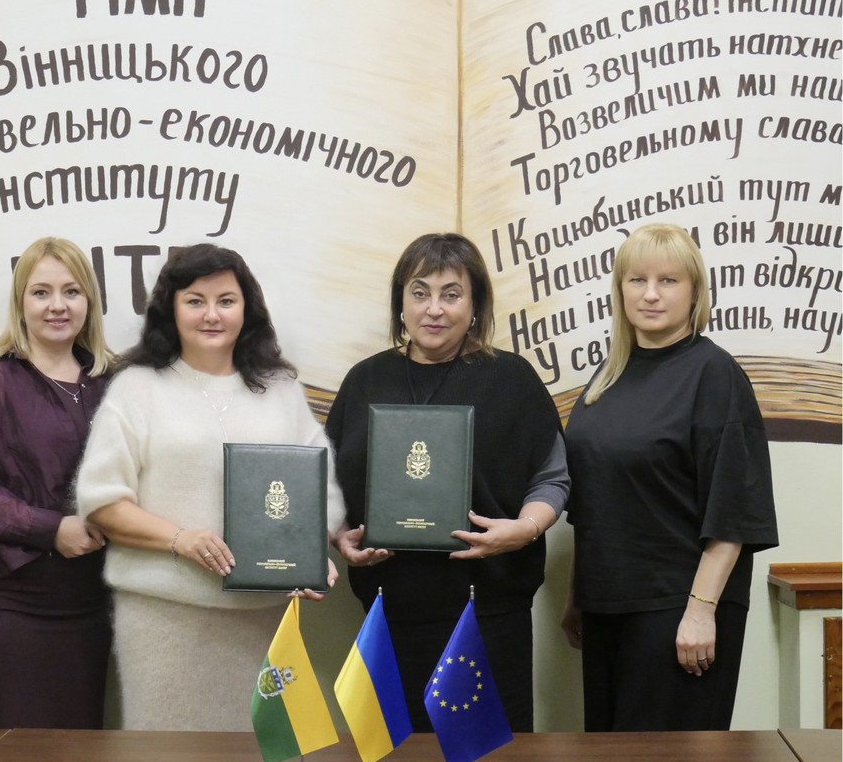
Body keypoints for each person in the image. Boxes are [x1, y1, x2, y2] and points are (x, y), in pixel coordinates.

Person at [75, 243, 345, 732]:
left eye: (226, 300)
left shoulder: (281, 390)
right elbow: (102, 500)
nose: (212, 315)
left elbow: (320, 488)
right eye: (195, 301)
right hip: (164, 622)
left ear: (247, 308)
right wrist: (181, 539)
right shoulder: (136, 389)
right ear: (170, 309)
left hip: (262, 624)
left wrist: (307, 551)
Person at [325, 232, 568, 733]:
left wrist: (524, 530)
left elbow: (553, 479)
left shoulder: (512, 379)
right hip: (388, 616)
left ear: (475, 306)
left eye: (451, 294)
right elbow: (329, 484)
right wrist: (339, 536)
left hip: (489, 614)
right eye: (420, 293)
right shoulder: (365, 381)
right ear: (401, 303)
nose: (434, 309)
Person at [560, 223, 778, 731]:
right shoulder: (608, 376)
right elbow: (595, 501)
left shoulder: (714, 374)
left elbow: (733, 511)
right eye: (637, 280)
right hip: (606, 606)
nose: (651, 294)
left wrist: (700, 611)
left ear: (695, 292)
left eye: (668, 280)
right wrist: (578, 596)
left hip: (678, 611)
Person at [0, 237, 114, 729]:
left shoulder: (113, 382)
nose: (57, 305)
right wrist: (51, 529)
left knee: (81, 750)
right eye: (41, 292)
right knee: (19, 754)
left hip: (91, 600)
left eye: (71, 291)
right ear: (20, 303)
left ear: (89, 301)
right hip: (7, 599)